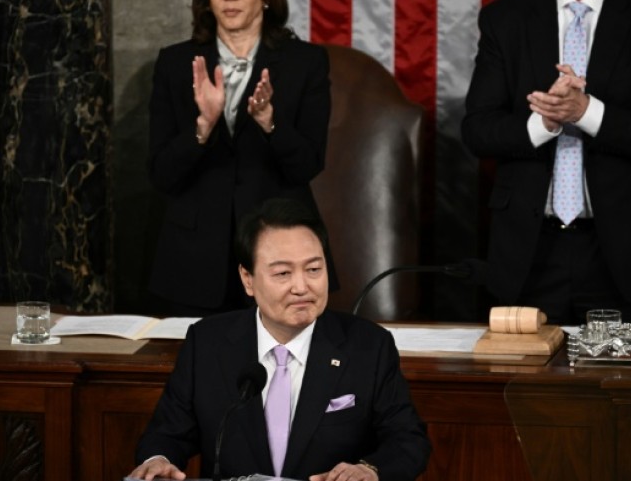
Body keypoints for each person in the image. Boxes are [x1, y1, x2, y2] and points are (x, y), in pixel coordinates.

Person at [129, 198, 431, 481]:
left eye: (314, 269)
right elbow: (167, 433)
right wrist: (158, 459)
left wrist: (369, 470)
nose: (302, 287)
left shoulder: (368, 346)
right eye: (283, 273)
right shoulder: (207, 342)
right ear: (248, 279)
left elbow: (407, 440)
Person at [461, 0, 631, 325]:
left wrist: (585, 112)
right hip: (529, 251)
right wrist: (545, 123)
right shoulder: (506, 18)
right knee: (525, 383)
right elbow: (477, 131)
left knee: (618, 384)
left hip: (621, 252)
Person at [146, 0, 334, 317]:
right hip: (193, 261)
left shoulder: (305, 62)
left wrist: (269, 122)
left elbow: (308, 164)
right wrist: (203, 126)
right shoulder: (174, 63)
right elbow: (161, 173)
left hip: (279, 255)